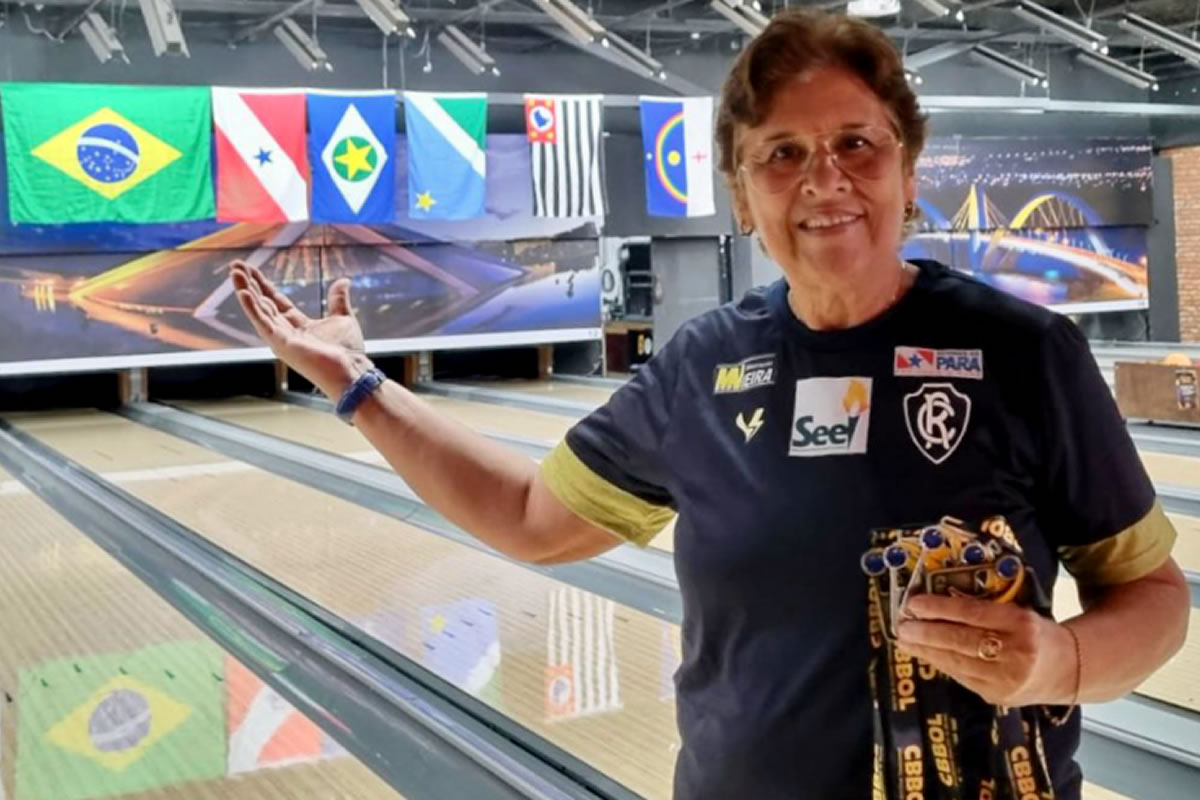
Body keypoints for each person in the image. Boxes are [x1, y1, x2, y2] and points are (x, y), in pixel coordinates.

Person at [231, 10, 1189, 799]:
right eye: (781, 154)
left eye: (857, 144)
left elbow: (1151, 598)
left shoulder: (1026, 354)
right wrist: (359, 386)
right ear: (740, 193)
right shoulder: (704, 365)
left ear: (908, 168)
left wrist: (1060, 663)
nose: (824, 179)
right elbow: (529, 515)